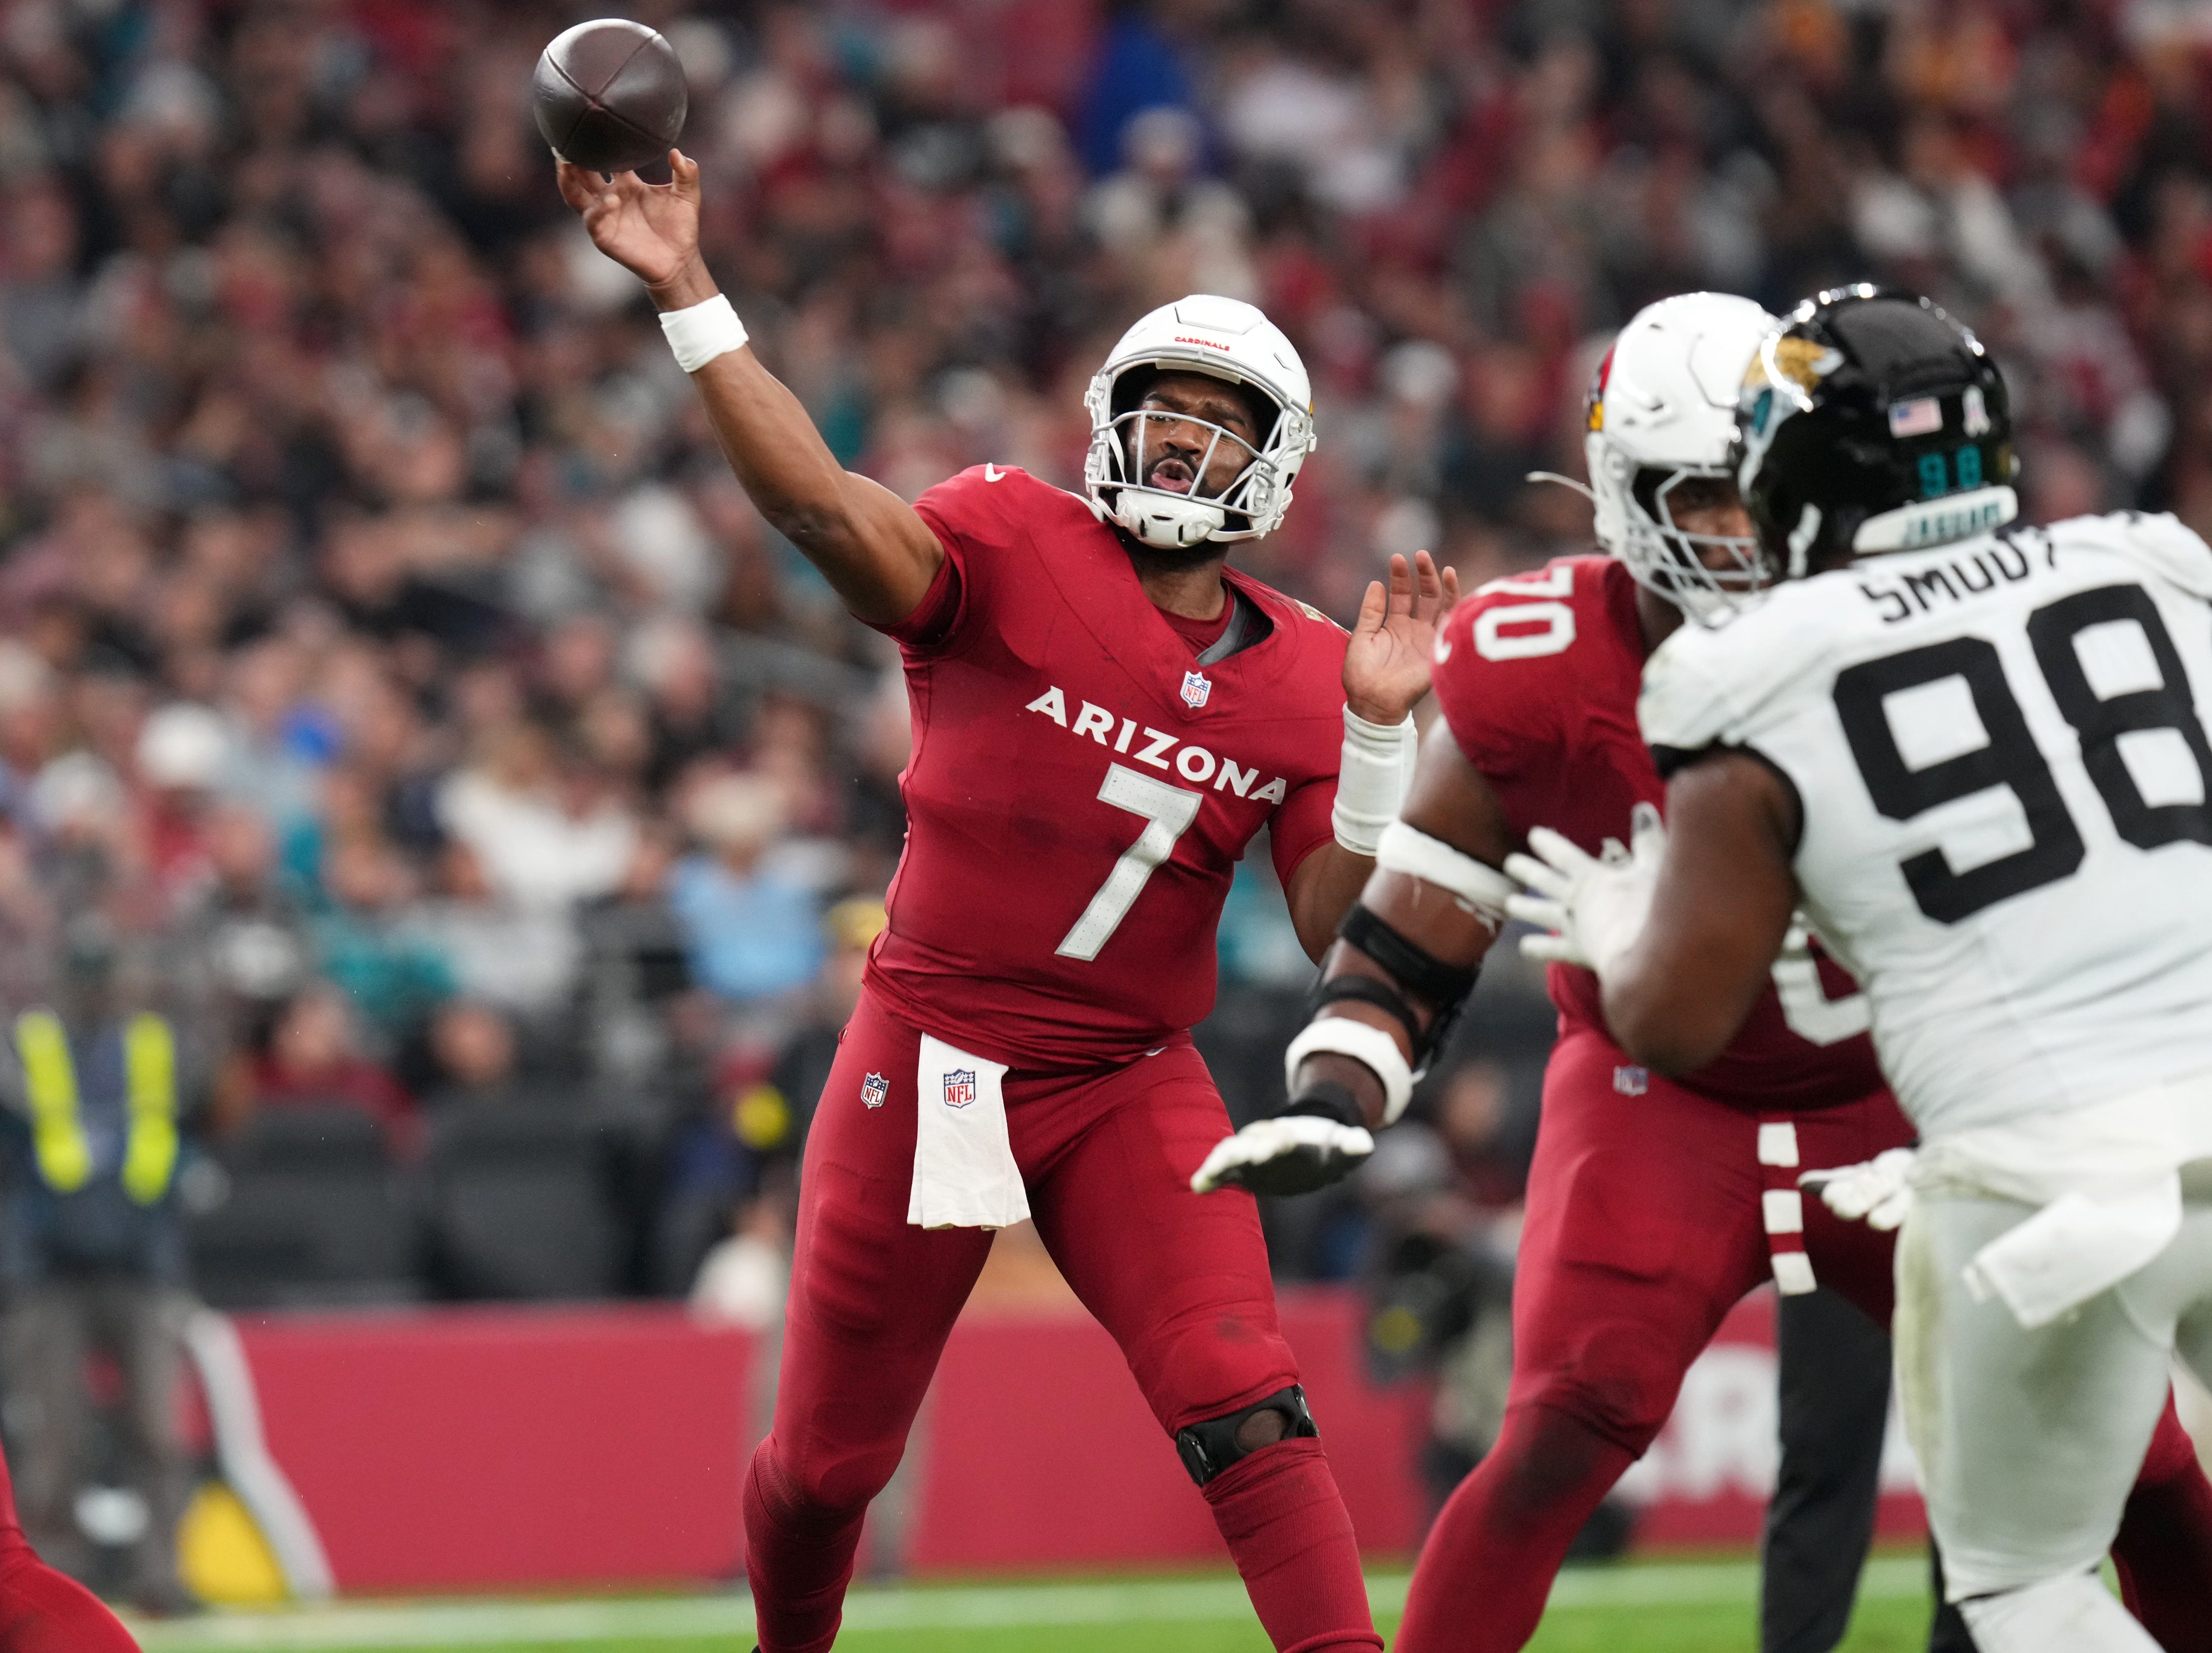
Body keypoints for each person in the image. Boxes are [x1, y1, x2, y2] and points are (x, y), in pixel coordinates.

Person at [1197, 291, 2212, 1652]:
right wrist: (1339, 1080)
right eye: (1700, 493)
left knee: (2140, 1466)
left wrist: (1627, 940)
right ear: (1621, 490)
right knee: (1566, 1415)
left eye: (1758, 488)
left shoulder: (1855, 640)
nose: (1734, 528)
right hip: (1668, 1103)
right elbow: (1409, 927)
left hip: (1897, 1083)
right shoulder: (1535, 659)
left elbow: (1680, 987)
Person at [558, 148, 1455, 1653]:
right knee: (829, 1464)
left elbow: (1332, 928)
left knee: (1248, 1400)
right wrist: (691, 295)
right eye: (1162, 415)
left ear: (1275, 462)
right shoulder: (1008, 536)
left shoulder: (1314, 671)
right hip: (935, 1056)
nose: (1179, 448)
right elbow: (824, 518)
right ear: (1108, 421)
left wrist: (1374, 740)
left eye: (1215, 426)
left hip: (1121, 1078)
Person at [1510, 287, 2212, 1652]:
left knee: (2023, 1580)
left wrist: (1608, 928)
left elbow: (1676, 1016)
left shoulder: (1758, 665)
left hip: (2041, 1169)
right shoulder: (2156, 562)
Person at [0, 916, 195, 1621]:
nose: (93, 988)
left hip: (140, 1266)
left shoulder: (151, 1045)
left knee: (160, 1434)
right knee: (54, 1441)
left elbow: (194, 1118)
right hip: (50, 1269)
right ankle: (56, 1587)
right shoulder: (30, 1046)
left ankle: (162, 1576)